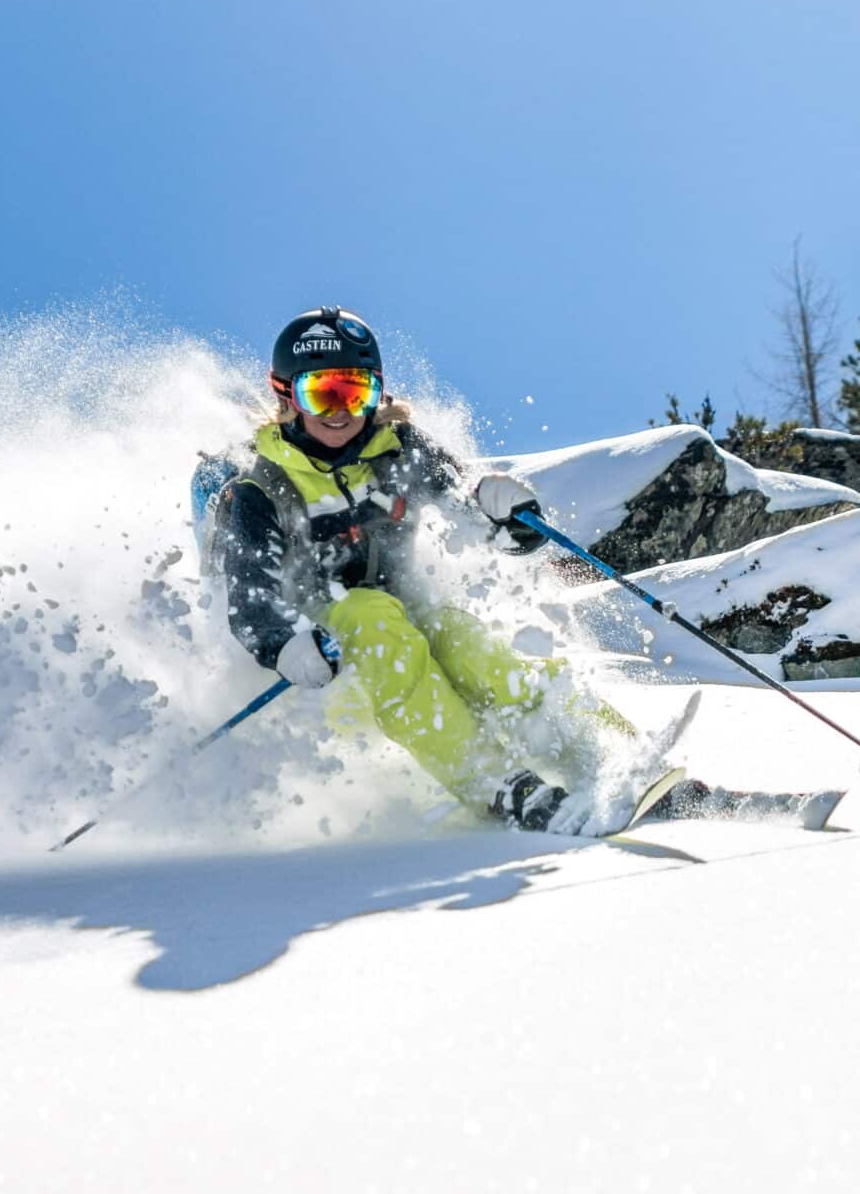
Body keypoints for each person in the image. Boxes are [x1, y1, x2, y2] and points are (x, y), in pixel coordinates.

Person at [211, 306, 619, 832]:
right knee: (371, 614)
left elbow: (469, 508)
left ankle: (604, 753)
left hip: (404, 625)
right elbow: (249, 602)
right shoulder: (260, 488)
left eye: (355, 393)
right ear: (287, 395)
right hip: (329, 668)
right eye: (322, 393)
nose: (341, 411)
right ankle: (497, 783)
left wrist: (505, 514)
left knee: (464, 642)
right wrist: (284, 644)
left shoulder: (398, 450)